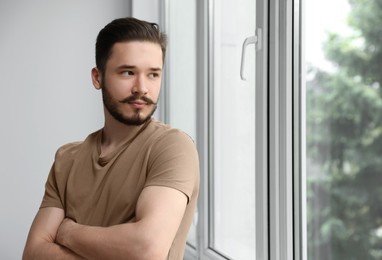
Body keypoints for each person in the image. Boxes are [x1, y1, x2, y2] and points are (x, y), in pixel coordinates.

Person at [22, 17, 200, 260]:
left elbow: (146, 249)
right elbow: (33, 253)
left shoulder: (172, 147)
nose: (142, 88)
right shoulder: (66, 159)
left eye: (153, 75)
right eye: (128, 72)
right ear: (98, 78)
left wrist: (67, 232)